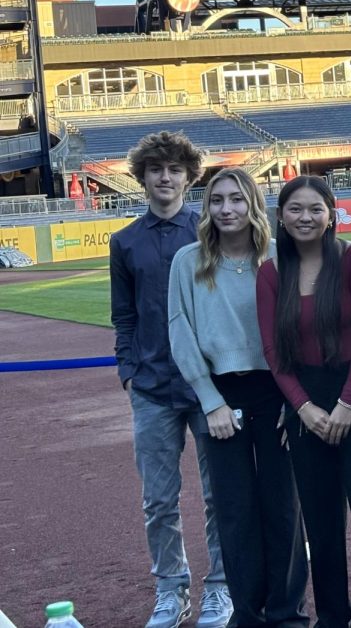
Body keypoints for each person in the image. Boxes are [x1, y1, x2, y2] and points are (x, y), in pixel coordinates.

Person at [256, 176, 351, 628]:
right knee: (320, 523)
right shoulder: (272, 272)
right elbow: (274, 353)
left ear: (331, 215)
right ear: (280, 217)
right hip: (306, 404)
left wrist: (348, 403)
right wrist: (303, 407)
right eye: (295, 209)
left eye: (315, 209)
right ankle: (333, 618)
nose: (305, 217)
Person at [168, 167, 308, 628]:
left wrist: (296, 401)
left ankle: (286, 613)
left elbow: (297, 331)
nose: (226, 209)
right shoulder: (188, 262)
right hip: (220, 396)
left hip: (277, 389)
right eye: (216, 200)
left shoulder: (277, 257)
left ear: (252, 204)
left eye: (236, 199)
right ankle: (246, 613)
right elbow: (181, 333)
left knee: (282, 506)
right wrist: (210, 402)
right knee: (233, 508)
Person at [110, 130, 233, 628]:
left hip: (209, 387)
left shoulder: (210, 233)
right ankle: (171, 589)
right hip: (153, 388)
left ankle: (221, 588)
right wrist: (128, 371)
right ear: (142, 177)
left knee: (218, 493)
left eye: (174, 169)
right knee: (158, 500)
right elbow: (124, 316)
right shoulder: (125, 243)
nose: (165, 177)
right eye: (156, 169)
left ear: (189, 176)